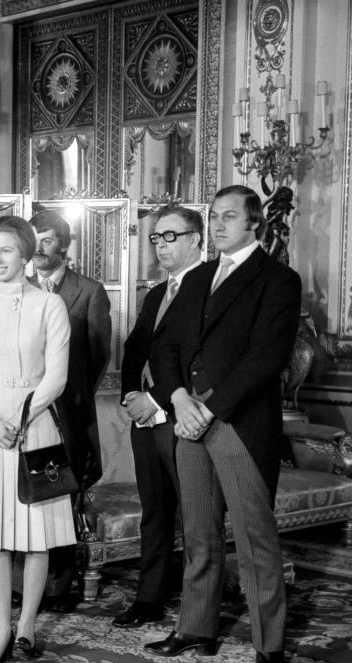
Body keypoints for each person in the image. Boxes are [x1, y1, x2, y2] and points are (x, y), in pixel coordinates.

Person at [145, 185, 302, 663]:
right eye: (213, 217)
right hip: (189, 419)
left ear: (253, 222)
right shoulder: (197, 278)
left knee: (256, 541)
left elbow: (266, 358)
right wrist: (178, 400)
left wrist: (207, 408)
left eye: (228, 217)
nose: (216, 225)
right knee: (199, 533)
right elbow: (164, 346)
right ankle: (197, 627)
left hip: (239, 423)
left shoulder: (278, 279)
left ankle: (270, 646)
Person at [0, 216, 74, 663]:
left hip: (36, 420)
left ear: (27, 256)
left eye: (7, 250)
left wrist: (23, 418)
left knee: (36, 533)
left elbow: (57, 377)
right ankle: (1, 628)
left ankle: (27, 626)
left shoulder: (50, 306)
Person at [113, 205, 202, 629]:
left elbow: (198, 362)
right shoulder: (155, 293)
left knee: (197, 514)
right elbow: (135, 350)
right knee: (155, 510)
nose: (161, 246)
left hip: (185, 418)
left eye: (171, 236)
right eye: (156, 238)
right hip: (146, 420)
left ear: (195, 239)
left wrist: (158, 401)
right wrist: (133, 394)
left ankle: (198, 608)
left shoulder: (208, 287)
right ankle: (149, 598)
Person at [27, 209, 111, 612]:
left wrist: (71, 399)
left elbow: (98, 355)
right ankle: (23, 585)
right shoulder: (15, 287)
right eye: (34, 240)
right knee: (26, 497)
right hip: (25, 414)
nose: (39, 248)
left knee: (60, 497)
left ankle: (59, 587)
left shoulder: (89, 292)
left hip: (69, 415)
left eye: (46, 240)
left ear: (63, 244)